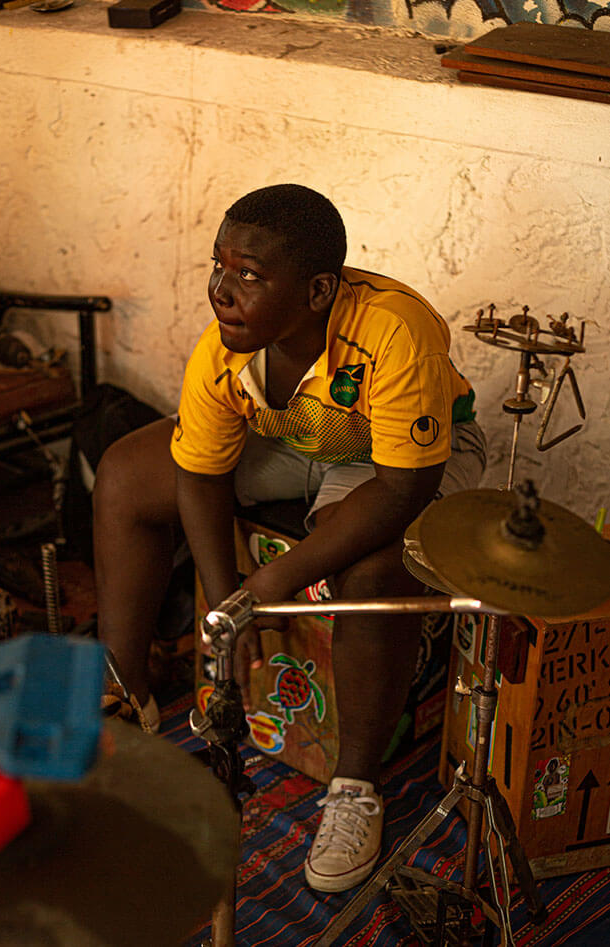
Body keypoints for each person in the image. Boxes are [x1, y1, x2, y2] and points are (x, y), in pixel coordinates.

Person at [93, 183, 486, 893]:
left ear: (315, 292)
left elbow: (401, 489)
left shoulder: (393, 330)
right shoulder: (224, 346)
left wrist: (268, 585)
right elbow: (201, 475)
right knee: (124, 473)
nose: (221, 290)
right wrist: (224, 607)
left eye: (249, 274)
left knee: (366, 565)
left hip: (397, 456)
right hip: (297, 437)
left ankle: (354, 787)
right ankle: (126, 692)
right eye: (218, 265)